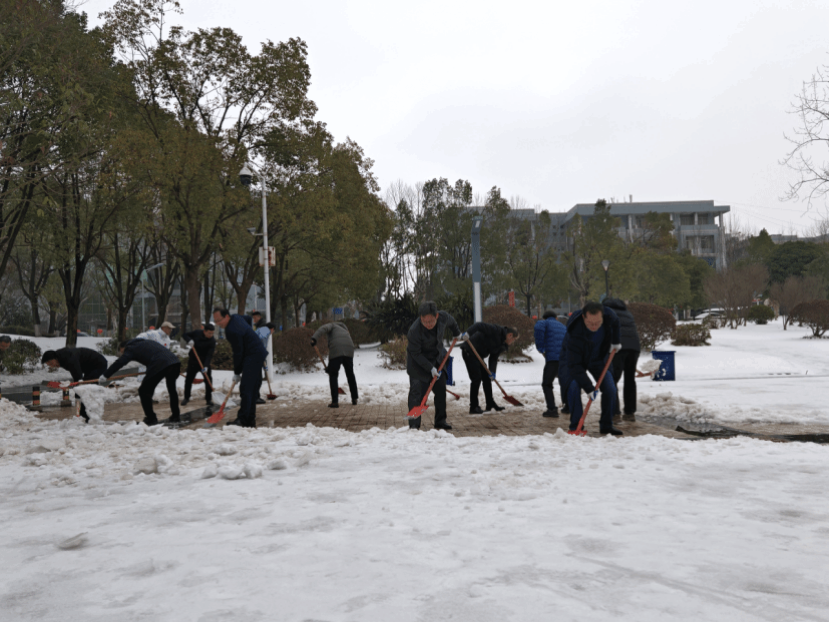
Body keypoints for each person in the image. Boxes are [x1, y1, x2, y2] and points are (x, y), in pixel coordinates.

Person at [561, 301, 623, 436]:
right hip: (576, 360)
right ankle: (576, 426)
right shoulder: (574, 332)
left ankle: (606, 425)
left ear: (603, 317)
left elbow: (616, 323)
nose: (594, 326)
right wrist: (589, 387)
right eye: (590, 323)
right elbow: (574, 365)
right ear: (584, 317)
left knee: (610, 388)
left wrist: (616, 341)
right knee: (573, 386)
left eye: (597, 323)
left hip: (597, 359)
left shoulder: (610, 316)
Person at [406, 301, 464, 431]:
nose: (428, 324)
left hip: (437, 359)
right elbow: (416, 354)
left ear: (436, 316)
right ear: (421, 318)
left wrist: (457, 333)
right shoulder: (414, 331)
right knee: (417, 394)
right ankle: (414, 425)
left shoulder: (443, 317)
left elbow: (452, 322)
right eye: (425, 321)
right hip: (417, 364)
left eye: (431, 321)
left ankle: (440, 421)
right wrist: (430, 368)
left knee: (440, 390)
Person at [100, 338, 181, 426]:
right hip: (174, 362)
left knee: (144, 391)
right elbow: (152, 354)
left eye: (121, 351)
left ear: (123, 347)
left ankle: (151, 418)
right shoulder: (144, 342)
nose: (123, 353)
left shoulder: (130, 348)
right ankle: (176, 416)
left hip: (160, 364)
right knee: (172, 389)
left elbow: (120, 362)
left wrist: (106, 375)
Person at [212, 308, 268, 428]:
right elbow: (248, 319)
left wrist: (237, 372)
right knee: (251, 389)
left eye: (219, 320)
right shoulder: (236, 317)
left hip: (252, 355)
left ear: (226, 316)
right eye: (215, 321)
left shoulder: (232, 330)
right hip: (257, 352)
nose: (218, 324)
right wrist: (248, 333)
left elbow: (238, 353)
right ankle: (249, 420)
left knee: (246, 388)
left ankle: (243, 420)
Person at [460, 322, 518, 414]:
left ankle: (490, 403)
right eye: (513, 340)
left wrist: (492, 371)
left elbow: (493, 358)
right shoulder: (495, 330)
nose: (512, 342)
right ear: (510, 335)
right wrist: (468, 333)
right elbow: (479, 325)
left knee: (486, 378)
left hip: (478, 355)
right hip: (469, 350)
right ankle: (473, 407)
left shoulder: (502, 344)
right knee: (476, 378)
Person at [41, 347, 108, 422]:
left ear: (54, 358)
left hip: (99, 365)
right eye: (49, 365)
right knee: (85, 388)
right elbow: (77, 375)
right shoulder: (61, 358)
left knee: (86, 388)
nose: (52, 366)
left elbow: (79, 379)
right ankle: (85, 415)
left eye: (51, 363)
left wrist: (77, 393)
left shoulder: (68, 358)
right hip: (90, 368)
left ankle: (89, 415)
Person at [603, 298, 641, 422]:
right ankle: (630, 411)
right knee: (630, 379)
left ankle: (614, 411)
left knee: (612, 378)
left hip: (617, 348)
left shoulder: (606, 313)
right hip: (634, 348)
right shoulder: (628, 313)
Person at [311, 322, 359, 408]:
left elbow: (323, 328)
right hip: (349, 349)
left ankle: (335, 402)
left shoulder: (332, 325)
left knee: (333, 375)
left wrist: (314, 338)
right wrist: (330, 367)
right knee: (350, 374)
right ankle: (355, 398)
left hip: (336, 349)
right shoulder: (345, 330)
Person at [534, 309, 568, 418]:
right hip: (564, 359)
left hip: (553, 359)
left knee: (547, 384)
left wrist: (541, 349)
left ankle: (552, 409)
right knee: (564, 382)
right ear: (556, 318)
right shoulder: (563, 326)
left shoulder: (544, 323)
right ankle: (568, 406)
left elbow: (538, 328)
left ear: (544, 318)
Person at [181, 323, 217, 407]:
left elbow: (209, 355)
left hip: (204, 362)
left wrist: (206, 366)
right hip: (193, 360)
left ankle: (208, 399)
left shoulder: (212, 341)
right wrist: (189, 340)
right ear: (204, 331)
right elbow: (184, 335)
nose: (211, 335)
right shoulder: (197, 333)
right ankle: (186, 397)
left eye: (212, 333)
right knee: (189, 379)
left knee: (208, 379)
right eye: (209, 333)